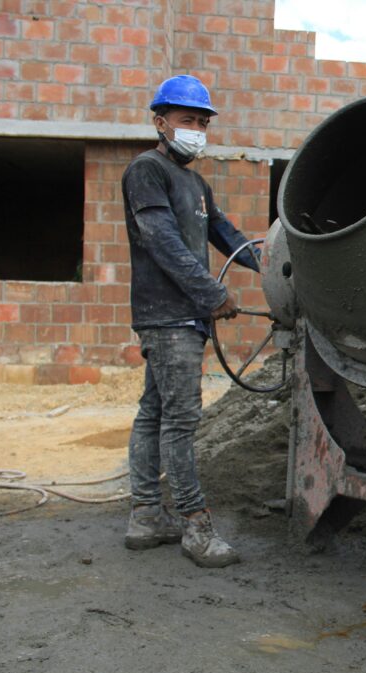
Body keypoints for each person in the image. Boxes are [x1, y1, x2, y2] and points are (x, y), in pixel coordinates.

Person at [120, 74, 261, 568]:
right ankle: (195, 527)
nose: (196, 129)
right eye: (187, 120)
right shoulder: (146, 171)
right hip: (169, 316)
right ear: (160, 122)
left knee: (154, 413)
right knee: (181, 421)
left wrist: (274, 262)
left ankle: (144, 516)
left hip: (183, 316)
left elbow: (224, 232)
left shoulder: (195, 181)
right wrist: (211, 293)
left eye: (202, 122)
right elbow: (160, 241)